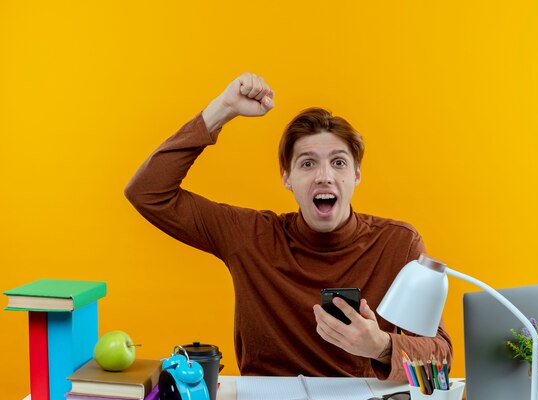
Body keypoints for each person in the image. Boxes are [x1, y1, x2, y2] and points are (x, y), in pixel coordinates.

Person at [125, 72, 452, 381]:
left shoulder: (398, 244)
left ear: (356, 175)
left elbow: (440, 358)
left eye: (338, 162)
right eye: (307, 163)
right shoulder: (250, 236)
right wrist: (221, 110)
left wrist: (380, 346)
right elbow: (147, 192)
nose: (324, 176)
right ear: (287, 178)